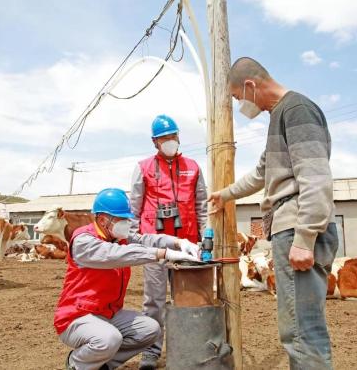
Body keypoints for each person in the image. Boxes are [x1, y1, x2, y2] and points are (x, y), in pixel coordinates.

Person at [207, 57, 339, 369]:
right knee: (298, 330)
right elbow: (261, 174)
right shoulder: (280, 116)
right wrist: (225, 194)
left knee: (302, 332)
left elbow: (316, 177)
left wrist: (305, 238)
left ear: (251, 85)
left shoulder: (296, 111)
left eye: (239, 97)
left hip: (296, 227)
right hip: (289, 227)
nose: (241, 105)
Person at [54, 188, 200, 370]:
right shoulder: (84, 240)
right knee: (108, 339)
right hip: (77, 316)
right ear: (102, 220)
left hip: (108, 313)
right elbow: (114, 255)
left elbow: (147, 240)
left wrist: (178, 243)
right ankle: (77, 364)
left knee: (150, 329)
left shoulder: (118, 237)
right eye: (121, 219)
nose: (126, 223)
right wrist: (164, 254)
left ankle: (104, 365)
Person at [129, 114, 208, 370]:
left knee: (189, 297)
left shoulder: (193, 167)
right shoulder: (143, 168)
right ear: (155, 142)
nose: (169, 141)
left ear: (178, 137)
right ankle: (151, 352)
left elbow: (201, 206)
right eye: (164, 138)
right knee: (154, 301)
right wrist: (134, 239)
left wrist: (205, 238)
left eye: (172, 136)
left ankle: (189, 347)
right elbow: (134, 208)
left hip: (187, 245)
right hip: (155, 246)